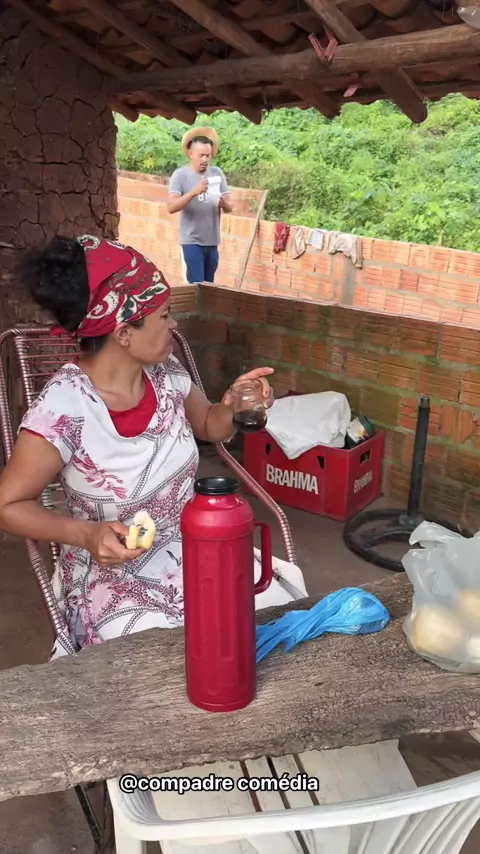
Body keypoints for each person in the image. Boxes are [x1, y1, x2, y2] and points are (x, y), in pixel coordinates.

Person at [0, 234, 307, 660]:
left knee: (271, 621)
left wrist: (232, 406)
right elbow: (8, 504)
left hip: (192, 542)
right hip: (114, 571)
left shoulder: (167, 373)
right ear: (124, 332)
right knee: (166, 657)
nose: (174, 326)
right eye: (164, 316)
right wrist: (86, 535)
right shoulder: (64, 409)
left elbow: (208, 424)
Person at [167, 126, 232, 285]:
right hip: (191, 241)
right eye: (201, 155)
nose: (205, 160)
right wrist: (193, 192)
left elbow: (230, 207)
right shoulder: (180, 175)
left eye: (208, 156)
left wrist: (223, 203)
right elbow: (171, 207)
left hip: (212, 241)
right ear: (190, 154)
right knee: (197, 286)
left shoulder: (217, 173)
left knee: (209, 286)